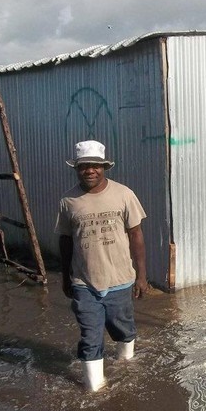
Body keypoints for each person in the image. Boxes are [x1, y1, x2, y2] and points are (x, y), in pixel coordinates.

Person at [55, 140, 148, 392]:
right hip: (84, 283)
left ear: (104, 167)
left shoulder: (124, 194)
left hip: (120, 279)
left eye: (95, 166)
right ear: (76, 168)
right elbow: (65, 241)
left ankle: (126, 366)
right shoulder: (69, 201)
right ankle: (95, 390)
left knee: (123, 329)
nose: (90, 171)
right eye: (84, 166)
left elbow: (136, 235)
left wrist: (142, 276)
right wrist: (65, 278)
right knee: (90, 336)